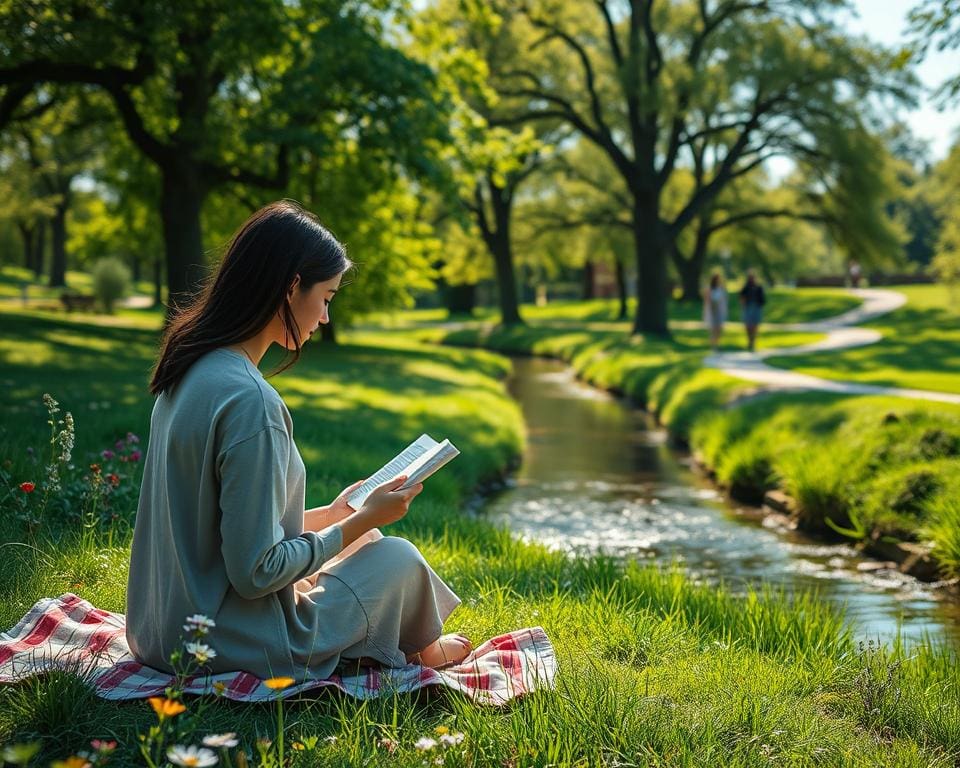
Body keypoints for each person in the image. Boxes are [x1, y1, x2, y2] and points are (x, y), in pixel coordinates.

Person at [125, 200, 471, 681]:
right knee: (397, 557)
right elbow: (256, 573)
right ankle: (426, 655)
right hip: (218, 643)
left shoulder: (190, 367)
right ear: (292, 287)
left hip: (160, 629)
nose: (326, 317)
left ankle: (418, 644)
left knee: (365, 536)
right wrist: (361, 521)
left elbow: (216, 532)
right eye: (326, 298)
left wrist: (336, 516)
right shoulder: (251, 403)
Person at [739, 269, 766, 352]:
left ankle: (753, 341)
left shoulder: (759, 287)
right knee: (748, 325)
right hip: (748, 308)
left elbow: (762, 299)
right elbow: (741, 298)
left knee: (755, 325)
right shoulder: (745, 288)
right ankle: (750, 340)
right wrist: (743, 306)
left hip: (756, 308)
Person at [702, 272, 727, 351]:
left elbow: (723, 300)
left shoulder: (721, 289)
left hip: (719, 311)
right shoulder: (708, 289)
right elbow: (706, 300)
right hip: (711, 311)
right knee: (713, 330)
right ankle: (713, 346)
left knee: (718, 330)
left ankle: (717, 344)